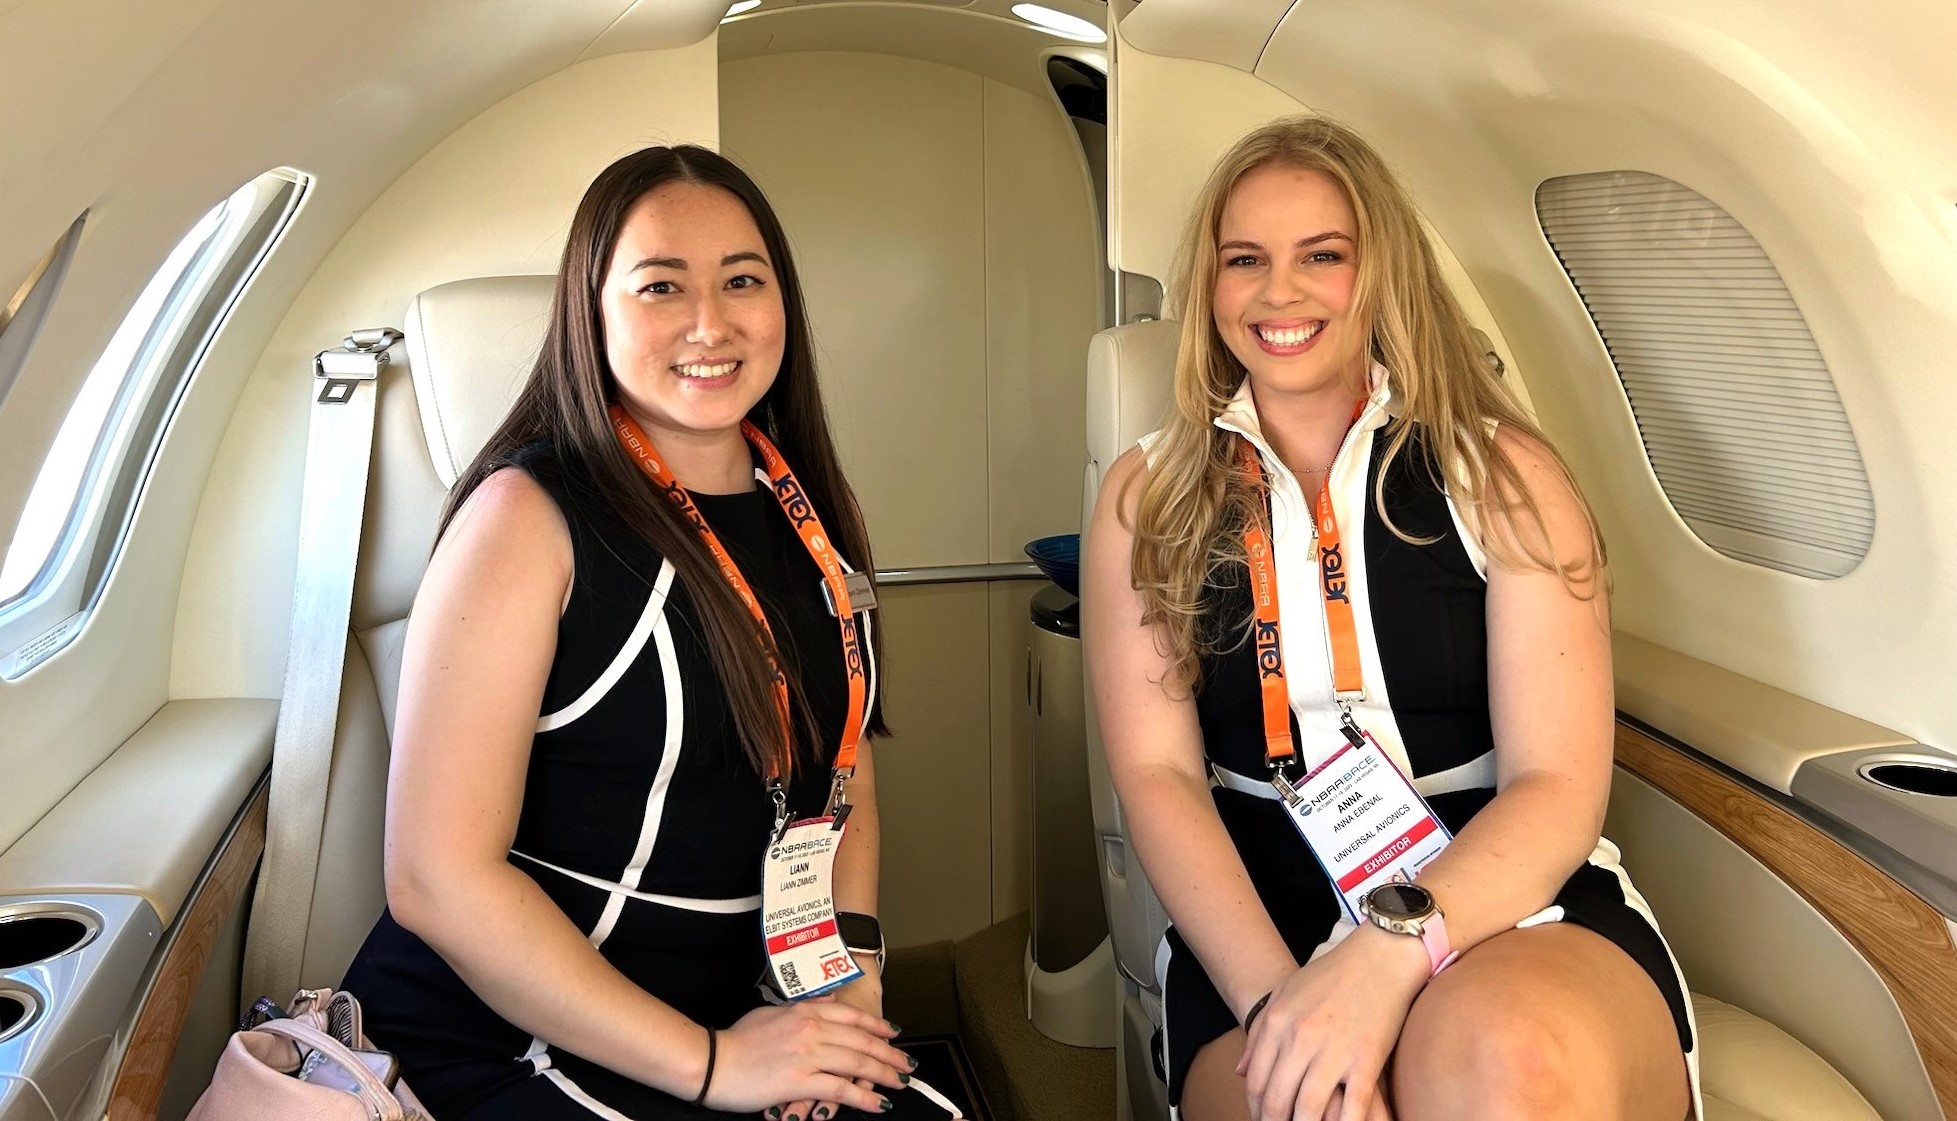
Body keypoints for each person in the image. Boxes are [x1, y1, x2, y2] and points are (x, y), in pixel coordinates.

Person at [1083, 117, 1700, 1121]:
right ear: (1211, 286)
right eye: (1245, 260)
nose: (1278, 293)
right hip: (1260, 897)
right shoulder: (1144, 497)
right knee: (1308, 1102)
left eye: (1321, 256)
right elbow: (1156, 775)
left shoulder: (1499, 472)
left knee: (1509, 1066)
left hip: (1493, 866)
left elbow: (1557, 780)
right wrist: (1283, 1001)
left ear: (1382, 276)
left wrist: (1384, 955)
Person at [342, 145, 913, 1121]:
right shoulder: (524, 517)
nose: (710, 321)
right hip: (513, 1028)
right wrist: (713, 1066)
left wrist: (843, 978)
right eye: (660, 286)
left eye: (743, 279)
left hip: (735, 1000)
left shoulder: (816, 510)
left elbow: (845, 769)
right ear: (591, 311)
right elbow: (435, 877)